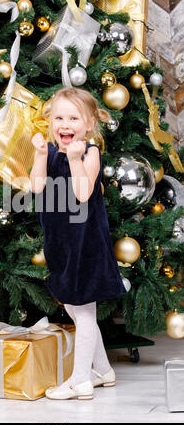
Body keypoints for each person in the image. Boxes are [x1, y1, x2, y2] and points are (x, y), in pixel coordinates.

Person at [30, 87, 127, 400]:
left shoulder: (89, 153)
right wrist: (41, 156)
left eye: (73, 118)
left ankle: (81, 380)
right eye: (59, 117)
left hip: (85, 244)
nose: (65, 123)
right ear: (50, 122)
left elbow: (83, 192)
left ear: (88, 124)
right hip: (61, 242)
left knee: (84, 313)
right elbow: (37, 186)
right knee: (75, 308)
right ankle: (103, 370)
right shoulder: (50, 149)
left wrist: (73, 159)